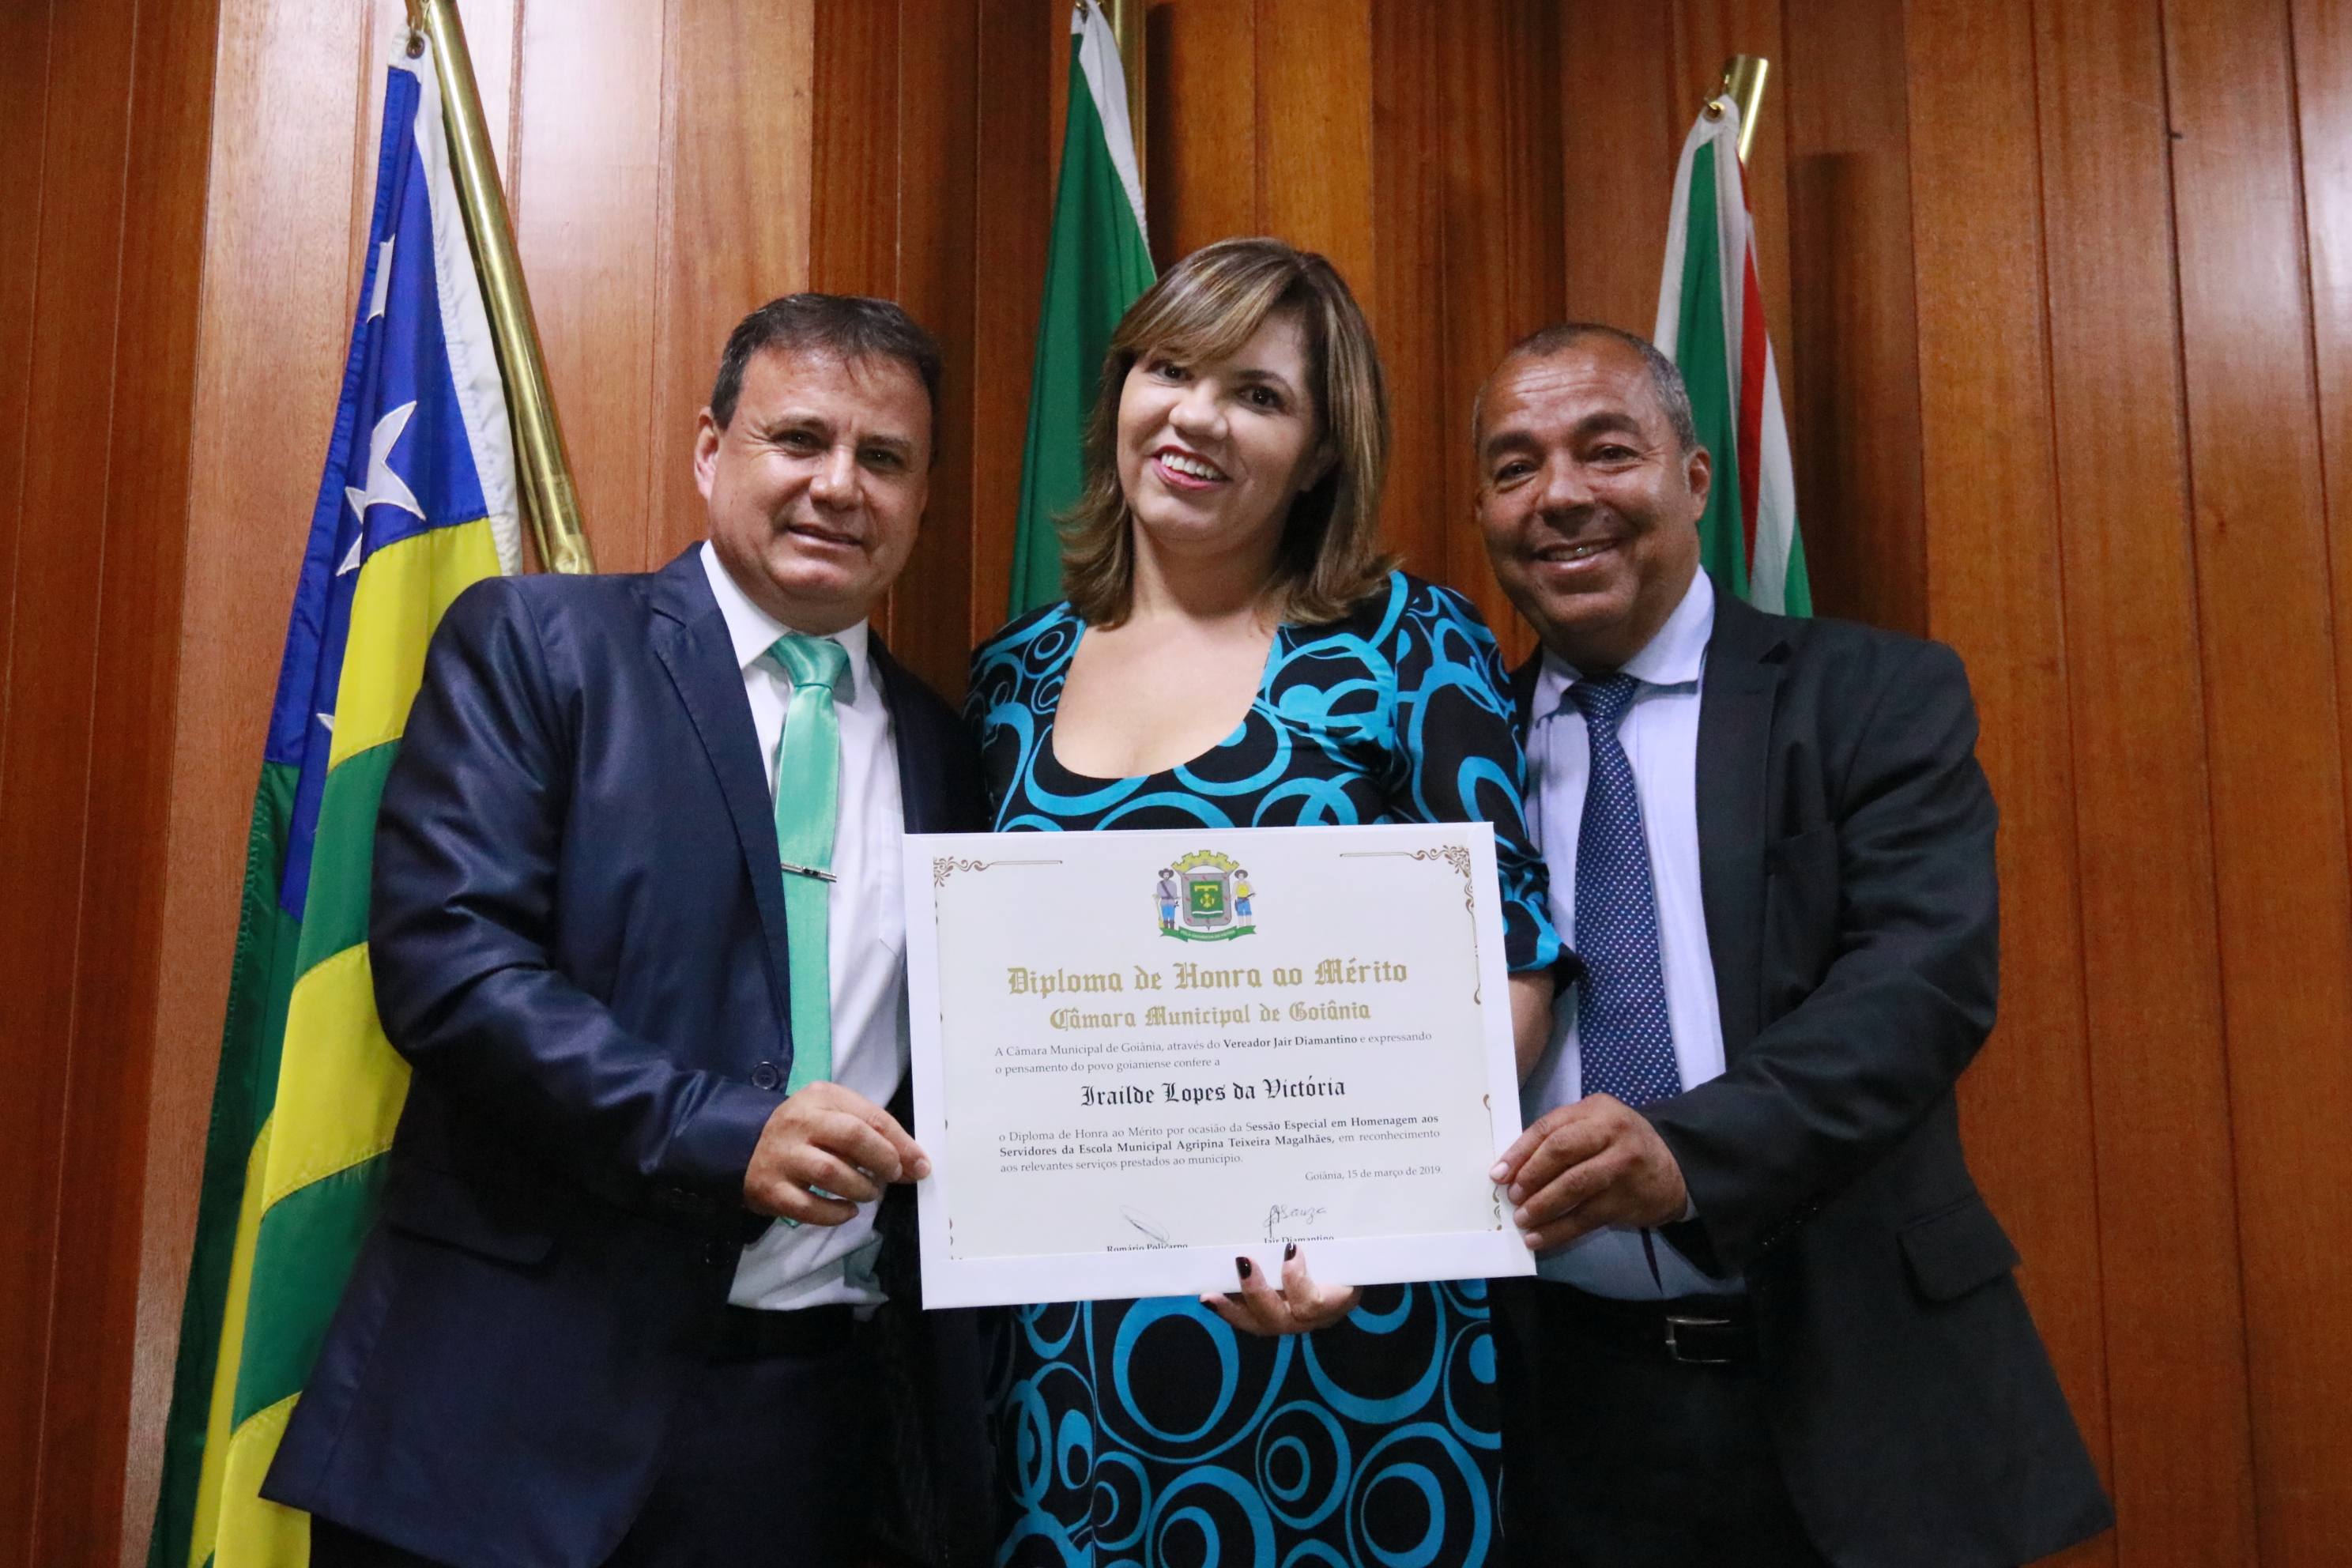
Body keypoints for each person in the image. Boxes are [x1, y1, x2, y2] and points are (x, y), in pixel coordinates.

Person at [264, 296, 993, 1568]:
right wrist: (723, 1133)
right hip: (501, 1415)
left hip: (798, 1437)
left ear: (923, 500)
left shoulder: (950, 752)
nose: (839, 485)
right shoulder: (539, 647)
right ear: (711, 451)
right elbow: (452, 970)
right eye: (799, 439)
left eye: (883, 458)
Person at [967, 237, 1564, 1568]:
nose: (1196, 417)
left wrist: (1369, 1220)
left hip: (1346, 1324)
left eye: (1258, 394)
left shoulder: (1412, 644)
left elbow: (1512, 960)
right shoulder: (1010, 677)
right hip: (1075, 1340)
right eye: (1168, 370)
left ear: (1321, 452)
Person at [1474, 322, 2113, 1566]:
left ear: (1694, 478)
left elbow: (1921, 987)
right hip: (1547, 1419)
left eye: (1607, 451)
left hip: (1853, 1384)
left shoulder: (1872, 695)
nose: (1559, 495)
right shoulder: (1453, 753)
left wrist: (1688, 1154)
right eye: (1513, 467)